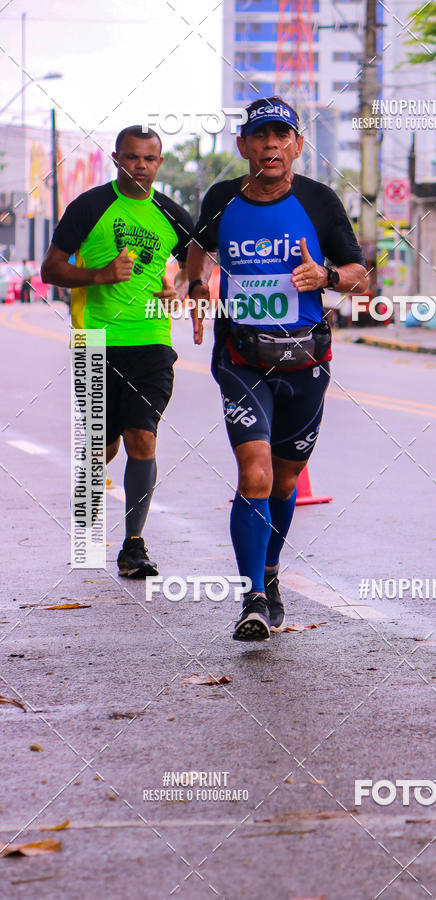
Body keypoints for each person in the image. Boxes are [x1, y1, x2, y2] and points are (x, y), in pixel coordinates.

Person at [187, 97, 368, 642]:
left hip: (305, 360)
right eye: (259, 137)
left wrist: (328, 277)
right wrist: (197, 286)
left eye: (281, 136)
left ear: (297, 146)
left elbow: (361, 274)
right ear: (242, 146)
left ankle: (269, 569)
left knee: (286, 480)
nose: (271, 146)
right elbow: (198, 245)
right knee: (256, 475)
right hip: (241, 358)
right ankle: (253, 598)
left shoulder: (318, 200)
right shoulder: (222, 199)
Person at [41, 125, 194, 578]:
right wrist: (99, 275)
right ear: (116, 158)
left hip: (150, 342)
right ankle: (86, 518)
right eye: (131, 157)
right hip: (95, 342)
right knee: (100, 449)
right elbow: (51, 269)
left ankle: (133, 545)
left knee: (141, 437)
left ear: (159, 162)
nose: (139, 166)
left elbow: (195, 262)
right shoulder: (89, 206)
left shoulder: (172, 213)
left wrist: (177, 288)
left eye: (148, 158)